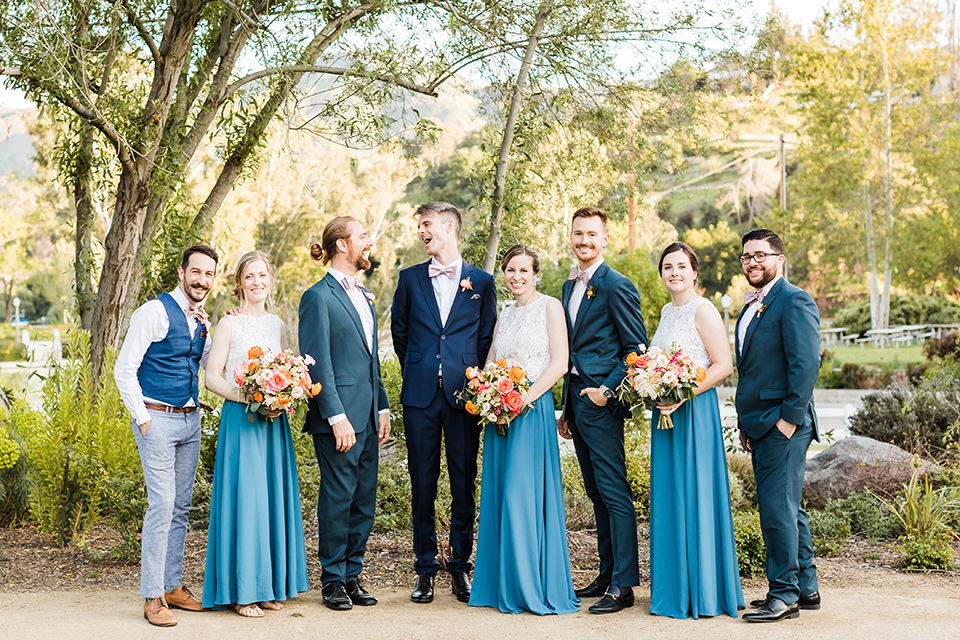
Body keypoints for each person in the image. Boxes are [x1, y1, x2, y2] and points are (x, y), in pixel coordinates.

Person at [391, 201, 497, 604]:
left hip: (464, 397)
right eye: (420, 225)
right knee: (422, 483)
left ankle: (460, 567)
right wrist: (421, 368)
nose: (421, 230)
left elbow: (485, 337)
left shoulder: (482, 283)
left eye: (427, 224)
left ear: (450, 226)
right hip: (420, 397)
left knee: (463, 483)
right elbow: (400, 333)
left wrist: (468, 376)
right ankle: (425, 569)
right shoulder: (409, 279)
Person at [468, 245, 579, 615]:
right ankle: (502, 583)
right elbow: (490, 361)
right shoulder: (505, 313)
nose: (516, 276)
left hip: (531, 411)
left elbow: (560, 362)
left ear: (536, 274)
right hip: (499, 414)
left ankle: (532, 584)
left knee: (523, 496)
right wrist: (488, 394)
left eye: (523, 270)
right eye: (510, 270)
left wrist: (522, 400)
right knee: (501, 496)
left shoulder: (550, 306)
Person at [200, 251, 309, 617]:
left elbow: (288, 370)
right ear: (239, 283)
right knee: (245, 501)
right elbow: (212, 377)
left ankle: (267, 586)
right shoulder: (229, 324)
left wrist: (284, 394)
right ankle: (242, 591)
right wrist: (248, 396)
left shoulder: (277, 324)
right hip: (242, 420)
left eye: (262, 275)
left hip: (273, 423)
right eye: (250, 276)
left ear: (270, 281)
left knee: (269, 500)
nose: (257, 282)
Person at [114, 244, 219, 627]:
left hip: (191, 421)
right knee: (162, 505)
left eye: (209, 274)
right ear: (181, 272)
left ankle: (173, 586)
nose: (201, 280)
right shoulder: (154, 312)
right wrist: (142, 419)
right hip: (156, 419)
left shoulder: (202, 321)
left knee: (180, 508)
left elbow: (210, 361)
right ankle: (152, 596)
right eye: (196, 272)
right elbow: (124, 369)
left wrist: (233, 328)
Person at [556, 206, 647, 615]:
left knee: (614, 492)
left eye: (592, 234)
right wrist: (566, 407)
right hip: (575, 400)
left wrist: (606, 392)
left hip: (601, 402)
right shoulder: (567, 285)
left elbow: (636, 349)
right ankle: (607, 572)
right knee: (595, 492)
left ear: (605, 238)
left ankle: (624, 584)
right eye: (578, 234)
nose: (584, 241)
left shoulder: (617, 285)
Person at [647, 242, 744, 619]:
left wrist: (683, 393)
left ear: (694, 272)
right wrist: (653, 383)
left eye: (681, 266)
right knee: (671, 495)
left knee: (695, 494)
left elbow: (723, 365)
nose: (674, 272)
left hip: (693, 410)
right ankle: (674, 589)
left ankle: (703, 591)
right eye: (668, 266)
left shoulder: (703, 310)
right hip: (665, 414)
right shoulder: (667, 311)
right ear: (662, 273)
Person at [299, 216, 391, 611]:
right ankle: (332, 580)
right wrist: (336, 416)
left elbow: (370, 361)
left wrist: (382, 404)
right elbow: (316, 362)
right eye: (362, 237)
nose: (368, 243)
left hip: (369, 415)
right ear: (341, 245)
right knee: (338, 498)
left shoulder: (365, 294)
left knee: (363, 499)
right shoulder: (317, 297)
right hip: (338, 419)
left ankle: (353, 575)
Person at [735, 228, 821, 623]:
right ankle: (806, 587)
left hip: (783, 424)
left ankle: (783, 594)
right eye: (747, 257)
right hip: (760, 424)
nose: (753, 262)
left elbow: (805, 366)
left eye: (760, 255)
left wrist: (788, 420)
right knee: (789, 506)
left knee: (776, 509)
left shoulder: (794, 300)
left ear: (779, 259)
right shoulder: (751, 307)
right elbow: (753, 372)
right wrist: (745, 423)